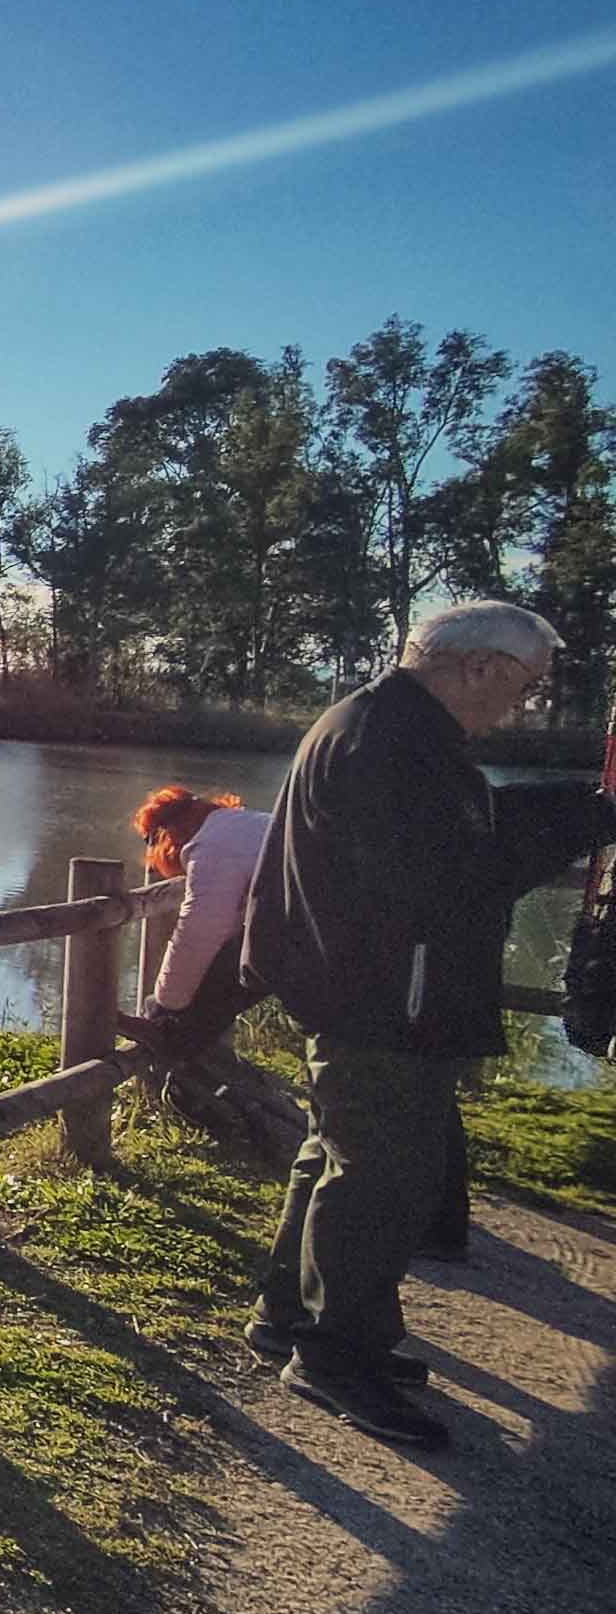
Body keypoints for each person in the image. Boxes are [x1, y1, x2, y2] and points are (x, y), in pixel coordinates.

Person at [241, 600, 616, 1449]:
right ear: (477, 666)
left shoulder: (382, 723)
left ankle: (287, 1315)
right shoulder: (391, 742)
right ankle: (338, 1355)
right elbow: (454, 873)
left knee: (333, 1151)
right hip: (384, 995)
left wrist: (580, 809)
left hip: (359, 986)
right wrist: (573, 823)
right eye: (523, 686)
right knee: (384, 1176)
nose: (521, 705)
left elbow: (465, 832)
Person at [131, 784, 270, 1056]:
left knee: (190, 1011)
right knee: (235, 968)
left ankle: (168, 1041)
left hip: (309, 931)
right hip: (325, 923)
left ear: (166, 834)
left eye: (150, 841)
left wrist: (164, 1003)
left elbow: (200, 932)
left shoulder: (213, 846)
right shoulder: (245, 825)